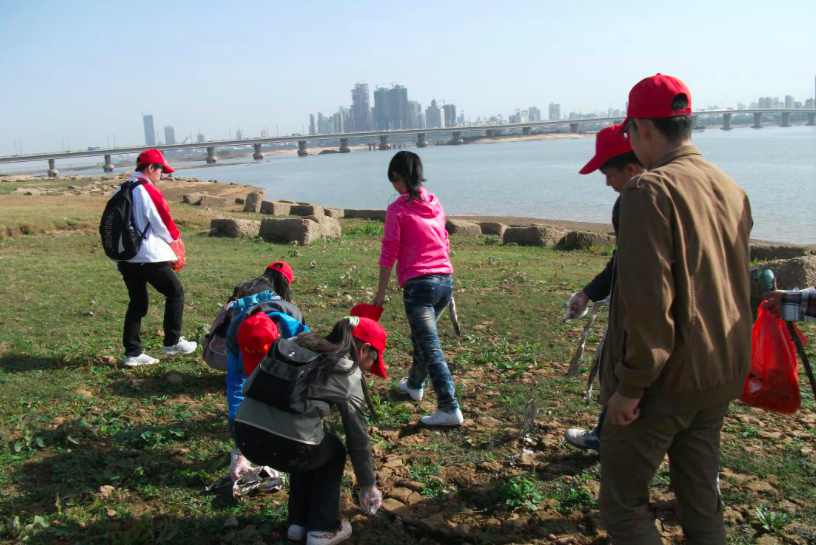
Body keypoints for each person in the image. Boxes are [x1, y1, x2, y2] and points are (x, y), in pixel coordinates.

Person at [599, 74, 753, 544]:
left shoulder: (647, 192)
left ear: (644, 129)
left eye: (629, 132)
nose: (629, 140)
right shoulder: (729, 186)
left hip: (664, 383)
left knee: (623, 503)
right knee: (700, 497)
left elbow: (649, 302)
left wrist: (631, 385)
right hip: (718, 372)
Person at [233, 317, 387, 545]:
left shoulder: (293, 343)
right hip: (288, 449)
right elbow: (357, 437)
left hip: (244, 437)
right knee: (332, 448)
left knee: (312, 440)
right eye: (371, 361)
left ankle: (297, 524)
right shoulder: (347, 370)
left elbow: (249, 387)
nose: (368, 368)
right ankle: (322, 530)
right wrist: (368, 484)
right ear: (364, 349)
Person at [563, 125, 644, 452]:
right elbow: (621, 258)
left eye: (608, 174)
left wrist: (590, 293)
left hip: (643, 315)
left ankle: (609, 438)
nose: (607, 182)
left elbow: (626, 261)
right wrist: (588, 293)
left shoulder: (634, 200)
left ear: (631, 168)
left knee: (624, 374)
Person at [373, 151, 463, 426]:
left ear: (397, 176)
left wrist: (379, 295)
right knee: (421, 338)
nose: (393, 185)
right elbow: (444, 240)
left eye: (392, 179)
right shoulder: (434, 203)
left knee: (430, 345)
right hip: (444, 282)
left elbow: (390, 252)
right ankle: (414, 385)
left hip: (420, 287)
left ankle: (449, 407)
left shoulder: (397, 210)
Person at [224, 262, 308, 475]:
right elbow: (235, 384)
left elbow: (308, 366)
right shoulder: (234, 334)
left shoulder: (295, 328)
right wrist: (238, 437)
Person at [118, 149, 196, 367]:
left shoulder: (123, 188)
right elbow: (162, 220)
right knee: (175, 292)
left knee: (138, 303)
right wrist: (176, 242)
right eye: (161, 170)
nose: (163, 175)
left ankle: (133, 353)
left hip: (125, 257)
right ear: (151, 168)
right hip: (146, 255)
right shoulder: (145, 189)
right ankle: (172, 341)